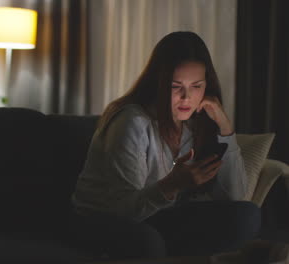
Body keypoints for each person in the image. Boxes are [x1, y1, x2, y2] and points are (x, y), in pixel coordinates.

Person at [70, 31, 261, 259]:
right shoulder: (132, 122)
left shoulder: (196, 123)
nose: (186, 97)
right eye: (175, 86)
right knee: (149, 242)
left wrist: (226, 129)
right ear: (159, 83)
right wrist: (171, 185)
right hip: (102, 220)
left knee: (246, 215)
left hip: (157, 218)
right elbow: (122, 210)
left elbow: (235, 196)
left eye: (196, 86)